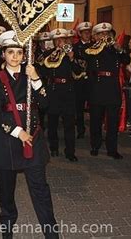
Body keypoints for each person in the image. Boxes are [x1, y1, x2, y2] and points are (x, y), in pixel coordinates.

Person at [0, 30, 58, 239]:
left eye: (19, 52)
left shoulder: (32, 76)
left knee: (40, 190)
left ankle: (51, 232)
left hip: (34, 138)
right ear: (4, 54)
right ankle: (8, 225)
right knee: (6, 191)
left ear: (24, 54)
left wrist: (36, 80)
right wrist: (18, 132)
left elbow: (45, 104)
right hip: (8, 139)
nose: (15, 56)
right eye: (11, 52)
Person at [83, 22, 130, 159]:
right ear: (96, 36)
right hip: (97, 88)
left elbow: (126, 60)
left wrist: (119, 48)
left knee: (112, 121)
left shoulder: (115, 49)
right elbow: (86, 58)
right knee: (96, 120)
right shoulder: (91, 49)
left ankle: (112, 149)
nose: (105, 36)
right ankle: (95, 145)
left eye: (107, 34)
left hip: (112, 88)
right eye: (101, 34)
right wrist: (98, 46)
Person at [39, 28, 79, 161]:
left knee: (69, 123)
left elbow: (79, 70)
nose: (59, 42)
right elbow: (42, 71)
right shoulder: (48, 54)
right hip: (53, 90)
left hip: (68, 90)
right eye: (57, 40)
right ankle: (54, 147)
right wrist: (52, 56)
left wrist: (72, 57)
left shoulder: (72, 52)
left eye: (62, 39)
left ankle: (70, 152)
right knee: (52, 122)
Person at [72, 22, 92, 139]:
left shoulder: (95, 46)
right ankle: (80, 129)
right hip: (79, 81)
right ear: (80, 34)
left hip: (92, 81)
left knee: (94, 108)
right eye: (85, 32)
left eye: (89, 32)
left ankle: (95, 131)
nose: (87, 34)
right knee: (79, 107)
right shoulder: (75, 47)